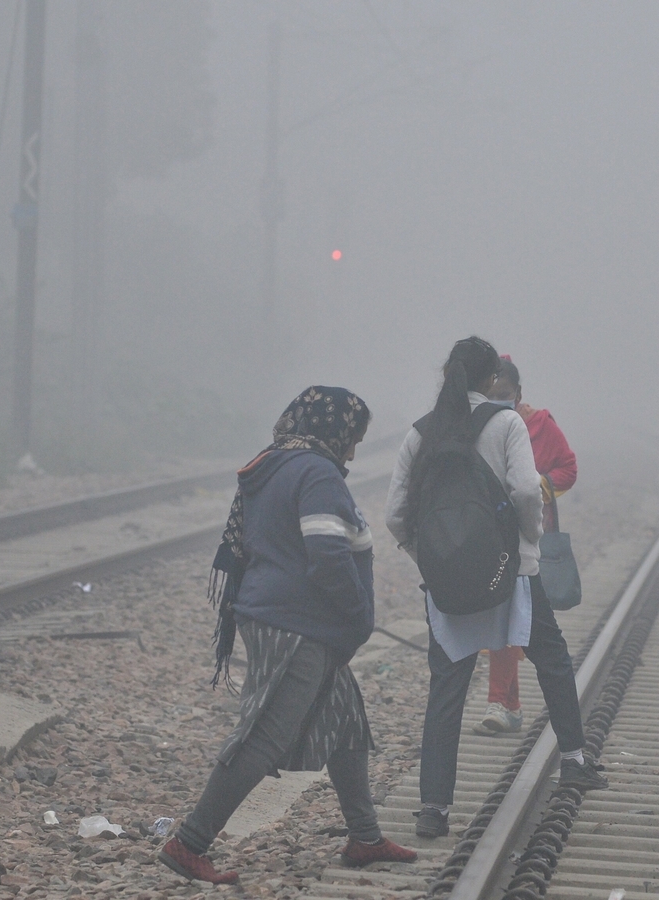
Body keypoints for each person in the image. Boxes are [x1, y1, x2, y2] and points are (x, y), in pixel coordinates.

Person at [159, 387, 415, 885]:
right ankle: (188, 843)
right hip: (298, 623)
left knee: (344, 723)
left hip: (282, 615)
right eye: (352, 438)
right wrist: (359, 616)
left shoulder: (275, 462)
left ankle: (364, 838)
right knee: (263, 736)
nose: (353, 451)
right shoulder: (315, 472)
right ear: (333, 430)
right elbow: (326, 555)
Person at [385, 337, 607, 841]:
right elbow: (529, 490)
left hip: (445, 581)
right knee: (550, 657)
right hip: (513, 572)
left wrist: (431, 558)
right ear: (491, 380)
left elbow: (396, 513)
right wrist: (526, 541)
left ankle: (434, 810)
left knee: (447, 686)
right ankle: (573, 760)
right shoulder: (506, 423)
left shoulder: (421, 432)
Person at [472, 355, 578, 737]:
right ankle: (506, 705)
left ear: (519, 393)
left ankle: (505, 705)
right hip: (489, 536)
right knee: (507, 619)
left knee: (517, 622)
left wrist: (535, 487)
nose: (498, 400)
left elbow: (568, 468)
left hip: (529, 538)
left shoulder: (539, 424)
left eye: (505, 394)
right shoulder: (476, 424)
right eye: (491, 394)